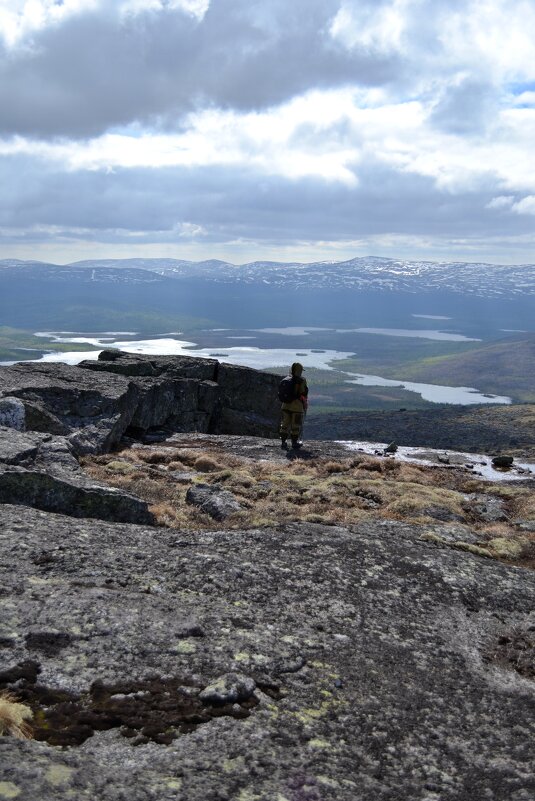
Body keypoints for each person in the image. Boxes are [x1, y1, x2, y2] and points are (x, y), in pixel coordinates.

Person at [279, 362, 308, 450]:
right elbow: (303, 392)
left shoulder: (286, 379)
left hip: (285, 406)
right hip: (297, 407)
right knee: (295, 426)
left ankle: (283, 442)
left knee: (284, 424)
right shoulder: (302, 380)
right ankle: (294, 443)